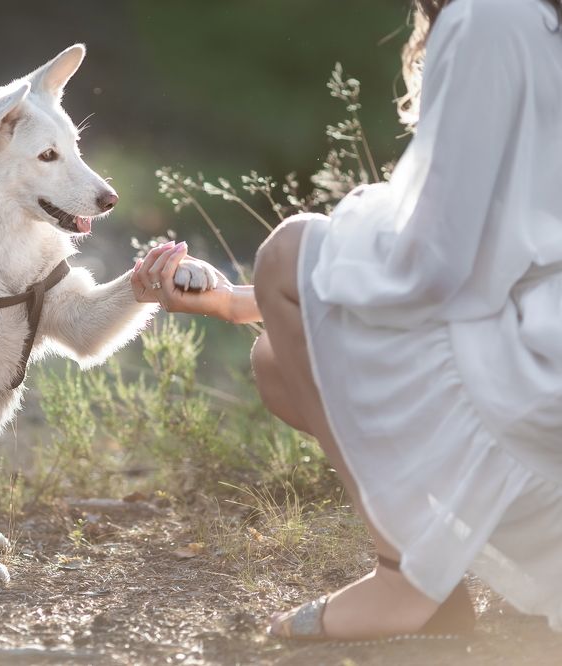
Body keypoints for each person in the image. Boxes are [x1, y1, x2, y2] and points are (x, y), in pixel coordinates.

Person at [132, 0, 562, 641]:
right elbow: (482, 251)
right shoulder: (521, 16)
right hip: (530, 339)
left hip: (537, 372)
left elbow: (437, 267)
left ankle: (406, 577)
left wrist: (294, 267)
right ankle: (431, 572)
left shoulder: (490, 16)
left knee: (291, 247)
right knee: (279, 358)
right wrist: (239, 302)